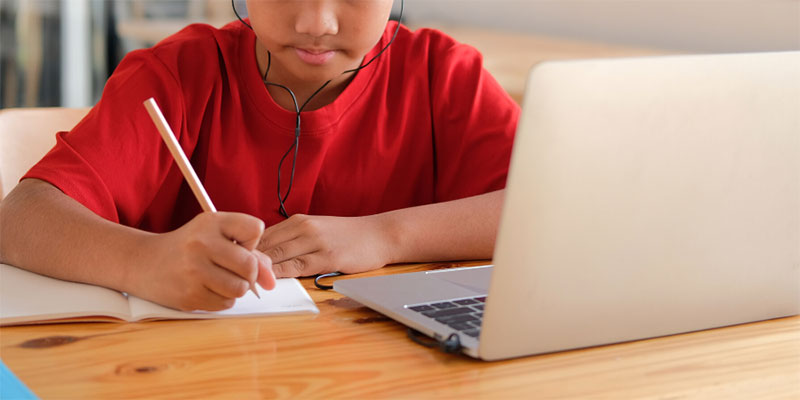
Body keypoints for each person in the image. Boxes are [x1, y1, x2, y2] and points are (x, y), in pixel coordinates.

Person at [0, 0, 519, 312]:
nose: (318, 22)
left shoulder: (444, 77)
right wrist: (143, 262)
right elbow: (21, 219)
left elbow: (558, 212)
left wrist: (384, 235)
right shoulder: (179, 75)